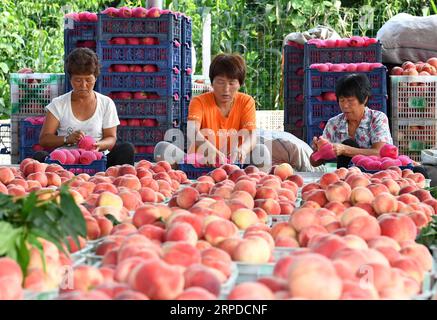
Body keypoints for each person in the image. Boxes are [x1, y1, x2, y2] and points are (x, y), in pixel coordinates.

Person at [155, 53, 268, 168]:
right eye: (220, 82)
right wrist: (209, 149)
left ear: (240, 84)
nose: (226, 89)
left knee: (262, 151)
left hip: (234, 163)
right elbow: (191, 130)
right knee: (162, 149)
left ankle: (250, 183)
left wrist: (242, 150)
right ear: (212, 82)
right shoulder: (199, 101)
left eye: (232, 83)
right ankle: (185, 172)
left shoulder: (246, 102)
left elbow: (252, 136)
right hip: (199, 163)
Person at [309, 73, 428, 177]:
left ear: (364, 99)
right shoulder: (333, 123)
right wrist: (318, 150)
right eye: (342, 100)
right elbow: (314, 162)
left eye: (350, 101)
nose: (345, 106)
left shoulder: (377, 118)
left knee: (419, 171)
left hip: (380, 174)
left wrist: (344, 149)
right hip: (349, 178)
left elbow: (380, 152)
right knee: (348, 143)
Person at [36, 47, 134, 168]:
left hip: (97, 160)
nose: (83, 85)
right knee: (39, 157)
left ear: (95, 78)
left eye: (88, 80)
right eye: (78, 80)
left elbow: (111, 138)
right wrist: (67, 139)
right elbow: (44, 139)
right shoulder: (58, 104)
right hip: (66, 162)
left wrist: (98, 145)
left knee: (126, 149)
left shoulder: (106, 103)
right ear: (70, 79)